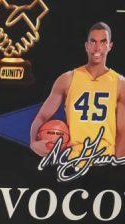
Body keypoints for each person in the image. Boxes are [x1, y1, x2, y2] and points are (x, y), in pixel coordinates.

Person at [30, 22, 125, 158]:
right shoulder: (67, 79)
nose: (97, 47)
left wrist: (116, 166)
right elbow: (42, 116)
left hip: (104, 159)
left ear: (110, 46)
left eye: (103, 42)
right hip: (73, 160)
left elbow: (122, 132)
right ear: (86, 46)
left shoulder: (120, 83)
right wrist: (33, 142)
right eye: (93, 41)